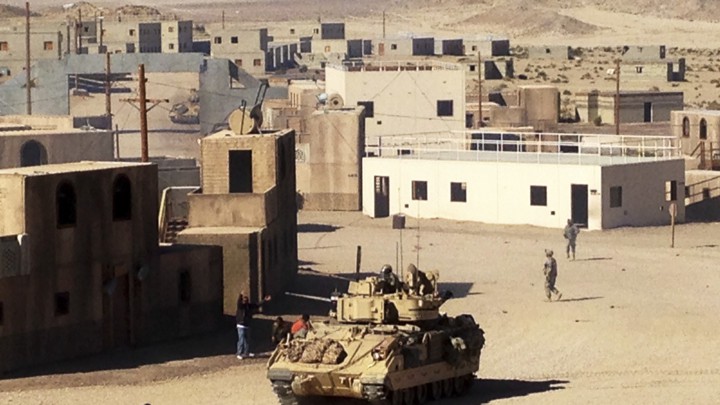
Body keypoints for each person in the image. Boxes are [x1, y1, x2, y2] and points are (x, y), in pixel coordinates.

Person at [236, 292, 271, 360]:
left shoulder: (249, 306)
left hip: (247, 325)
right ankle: (239, 353)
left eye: (246, 299)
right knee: (241, 339)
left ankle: (247, 352)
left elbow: (257, 304)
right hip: (240, 325)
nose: (245, 300)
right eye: (244, 299)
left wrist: (264, 300)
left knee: (247, 340)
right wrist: (240, 295)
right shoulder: (240, 306)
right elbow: (238, 302)